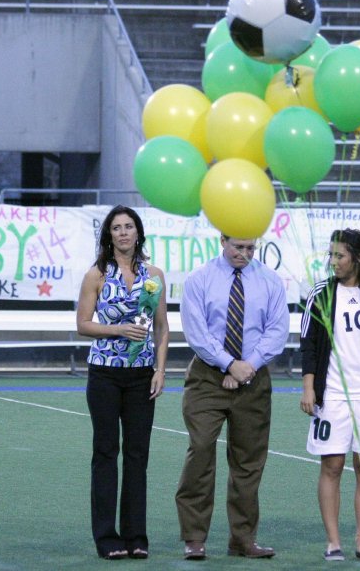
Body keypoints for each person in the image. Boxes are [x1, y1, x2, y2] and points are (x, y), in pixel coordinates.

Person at [176, 234, 289, 560]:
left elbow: (277, 330)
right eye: (237, 247)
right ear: (222, 240)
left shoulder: (269, 281)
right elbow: (197, 331)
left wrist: (247, 366)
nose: (244, 254)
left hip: (253, 379)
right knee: (200, 450)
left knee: (248, 462)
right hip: (207, 377)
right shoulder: (200, 279)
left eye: (250, 248)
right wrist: (228, 364)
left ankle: (243, 539)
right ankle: (194, 537)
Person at [299, 229, 360, 562]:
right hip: (333, 396)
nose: (333, 262)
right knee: (332, 465)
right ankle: (333, 542)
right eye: (331, 255)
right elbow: (309, 344)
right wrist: (309, 388)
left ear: (357, 257)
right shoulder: (322, 292)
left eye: (339, 255)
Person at [76, 205, 168, 560]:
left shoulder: (154, 274)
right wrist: (118, 329)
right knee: (105, 452)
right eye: (117, 228)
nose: (124, 233)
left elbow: (161, 326)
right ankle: (107, 537)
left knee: (137, 454)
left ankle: (136, 536)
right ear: (109, 235)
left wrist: (160, 370)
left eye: (129, 226)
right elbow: (83, 324)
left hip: (142, 375)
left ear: (138, 232)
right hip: (104, 373)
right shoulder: (96, 275)